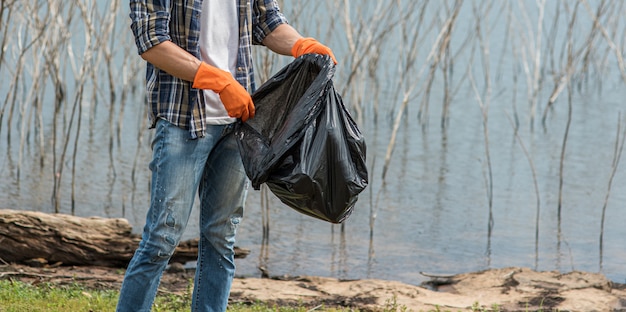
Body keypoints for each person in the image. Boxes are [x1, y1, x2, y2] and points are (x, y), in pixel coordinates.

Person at [117, 1, 336, 311]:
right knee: (161, 239)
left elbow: (268, 22)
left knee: (221, 239)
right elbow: (152, 42)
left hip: (240, 121)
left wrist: (301, 44)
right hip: (183, 119)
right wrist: (217, 81)